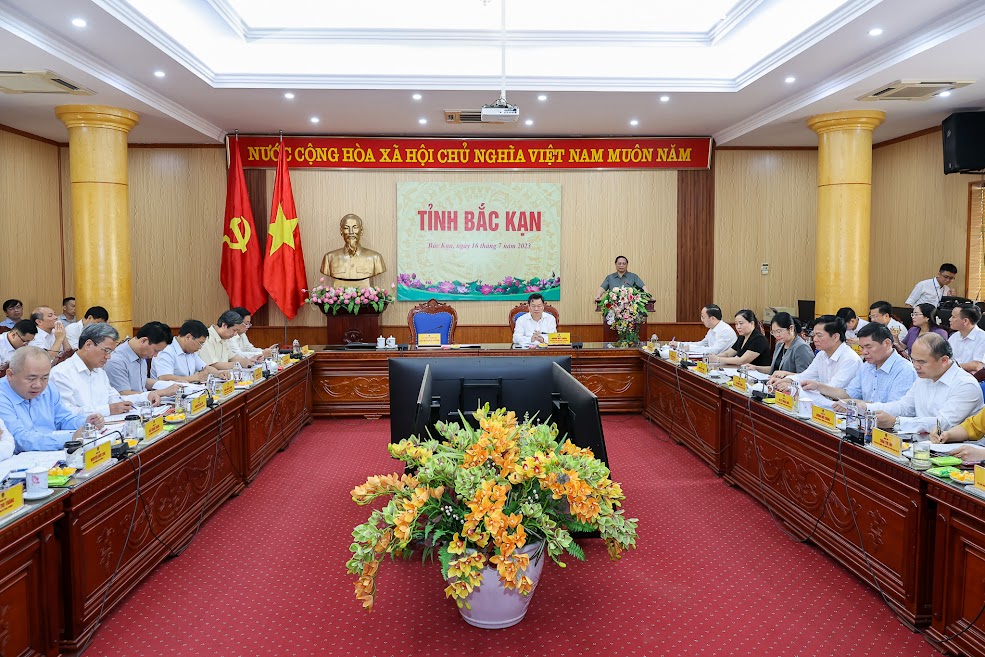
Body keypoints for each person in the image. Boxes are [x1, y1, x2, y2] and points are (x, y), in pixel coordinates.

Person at [858, 334, 983, 434]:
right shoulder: (924, 376)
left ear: (944, 360)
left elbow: (944, 424)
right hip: (920, 441)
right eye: (913, 360)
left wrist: (896, 422)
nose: (915, 366)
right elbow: (904, 407)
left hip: (956, 451)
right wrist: (867, 408)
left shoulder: (965, 385)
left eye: (922, 362)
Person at [0, 347, 103, 453]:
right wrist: (71, 438)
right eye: (31, 378)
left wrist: (86, 423)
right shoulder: (2, 396)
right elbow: (20, 440)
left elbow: (62, 419)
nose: (38, 385)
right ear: (10, 375)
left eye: (44, 378)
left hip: (51, 453)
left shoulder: (49, 387)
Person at [50, 323, 161, 417]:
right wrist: (108, 410)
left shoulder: (99, 372)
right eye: (106, 350)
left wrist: (145, 396)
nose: (109, 357)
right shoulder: (61, 373)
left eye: (111, 352)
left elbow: (115, 399)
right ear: (88, 345)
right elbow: (66, 414)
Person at [808, 323, 918, 407]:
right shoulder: (867, 366)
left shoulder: (904, 370)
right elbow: (848, 394)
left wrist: (857, 404)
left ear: (887, 343)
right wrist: (818, 386)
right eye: (861, 347)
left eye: (868, 347)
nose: (864, 352)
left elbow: (894, 409)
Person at [772, 316, 861, 393]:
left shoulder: (850, 359)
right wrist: (786, 380)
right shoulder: (822, 354)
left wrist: (792, 387)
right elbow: (806, 375)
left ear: (835, 337)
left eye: (819, 335)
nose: (815, 339)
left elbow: (833, 388)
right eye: (814, 335)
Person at [104, 322, 179, 395]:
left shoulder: (140, 354)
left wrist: (170, 384)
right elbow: (124, 394)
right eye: (156, 351)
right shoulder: (116, 360)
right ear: (143, 341)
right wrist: (163, 392)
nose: (155, 355)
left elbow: (141, 381)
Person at [319, 214, 387, 288]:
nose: (351, 232)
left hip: (367, 297)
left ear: (361, 231)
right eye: (346, 228)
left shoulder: (375, 258)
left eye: (355, 228)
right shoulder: (329, 258)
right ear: (341, 232)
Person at [151, 320, 225, 383]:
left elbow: (205, 367)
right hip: (166, 397)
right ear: (188, 337)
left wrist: (219, 374)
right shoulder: (165, 350)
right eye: (200, 343)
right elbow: (165, 378)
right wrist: (195, 378)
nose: (200, 347)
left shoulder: (190, 351)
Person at [671, 304, 736, 355]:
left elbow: (714, 351)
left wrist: (690, 348)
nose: (702, 320)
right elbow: (702, 344)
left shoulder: (725, 331)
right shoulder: (712, 328)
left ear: (712, 318)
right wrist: (679, 344)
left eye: (703, 317)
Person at [948, 304, 985, 373]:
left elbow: (977, 365)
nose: (950, 319)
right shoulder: (953, 337)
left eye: (953, 317)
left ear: (965, 321)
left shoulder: (982, 338)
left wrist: (950, 366)